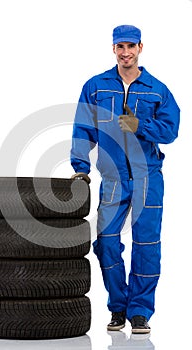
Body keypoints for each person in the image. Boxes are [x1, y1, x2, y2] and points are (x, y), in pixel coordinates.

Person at [70, 24, 180, 334]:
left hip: (148, 178)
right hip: (113, 178)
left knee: (146, 246)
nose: (126, 52)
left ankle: (140, 312)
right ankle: (118, 307)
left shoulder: (157, 89)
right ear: (113, 49)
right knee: (106, 242)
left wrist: (139, 124)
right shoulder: (96, 86)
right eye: (120, 46)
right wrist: (80, 167)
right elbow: (82, 128)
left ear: (141, 48)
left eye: (131, 46)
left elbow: (171, 131)